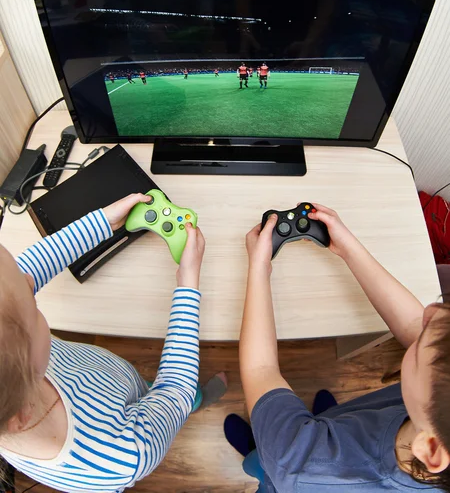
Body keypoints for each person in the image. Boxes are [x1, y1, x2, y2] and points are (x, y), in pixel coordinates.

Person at [0, 194, 226, 493]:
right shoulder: (124, 455)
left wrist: (102, 222)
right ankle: (192, 403)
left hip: (108, 379)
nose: (30, 280)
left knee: (144, 388)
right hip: (138, 409)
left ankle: (152, 393)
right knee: (173, 400)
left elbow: (20, 278)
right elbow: (175, 388)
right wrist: (188, 282)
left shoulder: (13, 365)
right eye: (31, 299)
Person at [224, 204, 450, 492]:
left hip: (287, 467)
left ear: (430, 449)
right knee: (319, 427)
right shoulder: (438, 408)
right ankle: (320, 425)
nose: (432, 311)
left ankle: (260, 447)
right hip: (322, 443)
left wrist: (259, 267)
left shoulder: (300, 462)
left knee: (263, 462)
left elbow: (261, 371)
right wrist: (349, 249)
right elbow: (415, 327)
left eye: (422, 346)